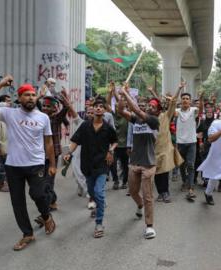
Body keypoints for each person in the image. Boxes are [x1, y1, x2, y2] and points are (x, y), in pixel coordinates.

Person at [0, 77, 57, 251]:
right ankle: (27, 234)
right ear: (19, 98)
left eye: (33, 95)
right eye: (27, 95)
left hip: (36, 164)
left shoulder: (43, 117)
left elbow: (49, 143)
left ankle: (46, 216)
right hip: (13, 165)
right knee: (18, 202)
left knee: (38, 194)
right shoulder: (9, 113)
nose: (31, 97)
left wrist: (52, 164)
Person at [64, 97, 117, 238]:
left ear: (105, 111)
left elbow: (115, 142)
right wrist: (69, 153)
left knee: (99, 193)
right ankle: (98, 202)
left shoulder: (108, 128)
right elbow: (75, 141)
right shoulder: (85, 126)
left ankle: (99, 223)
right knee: (92, 193)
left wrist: (111, 151)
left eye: (101, 106)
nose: (98, 108)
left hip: (101, 165)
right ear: (92, 110)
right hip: (87, 165)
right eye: (96, 106)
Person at [116, 85, 159, 239]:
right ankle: (139, 205)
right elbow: (121, 111)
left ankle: (149, 226)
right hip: (134, 162)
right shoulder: (135, 121)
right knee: (133, 191)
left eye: (150, 106)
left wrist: (126, 93)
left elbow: (136, 109)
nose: (146, 107)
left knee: (148, 195)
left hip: (148, 164)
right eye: (146, 105)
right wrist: (121, 97)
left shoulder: (154, 121)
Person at [175, 91, 204, 201]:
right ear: (181, 101)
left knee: (191, 165)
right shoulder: (177, 111)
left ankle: (191, 188)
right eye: (183, 98)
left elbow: (200, 110)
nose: (185, 100)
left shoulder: (193, 110)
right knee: (181, 164)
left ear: (190, 101)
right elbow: (170, 111)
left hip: (192, 142)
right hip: (180, 143)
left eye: (187, 98)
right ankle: (185, 182)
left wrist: (200, 100)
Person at [106, 82, 129, 190]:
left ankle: (124, 181)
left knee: (125, 166)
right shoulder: (112, 116)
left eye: (118, 106)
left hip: (125, 146)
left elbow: (122, 102)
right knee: (112, 164)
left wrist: (123, 93)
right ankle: (116, 180)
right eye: (115, 107)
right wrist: (111, 92)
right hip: (113, 146)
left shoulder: (127, 116)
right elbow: (107, 104)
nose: (116, 108)